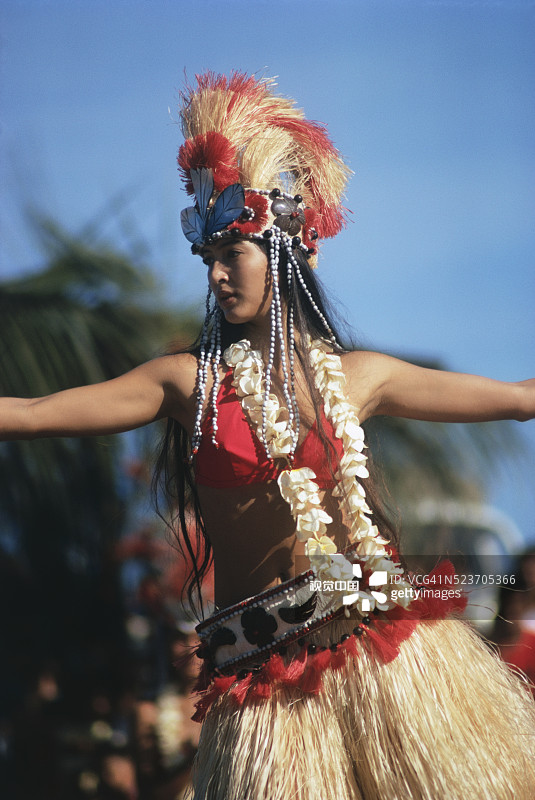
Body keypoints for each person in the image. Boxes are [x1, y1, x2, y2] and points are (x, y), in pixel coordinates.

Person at [2, 72, 535, 799]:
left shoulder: (358, 377)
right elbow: (30, 414)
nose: (217, 275)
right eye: (208, 259)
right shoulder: (185, 384)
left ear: (282, 253)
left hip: (384, 661)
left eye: (233, 254)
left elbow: (516, 400)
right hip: (262, 690)